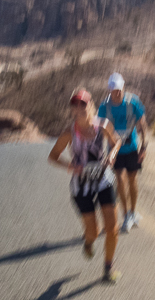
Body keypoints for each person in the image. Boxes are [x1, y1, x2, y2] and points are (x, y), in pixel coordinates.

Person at [49, 88, 124, 282]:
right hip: (81, 185)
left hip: (103, 179)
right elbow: (52, 157)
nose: (79, 108)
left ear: (91, 106)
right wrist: (69, 165)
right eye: (74, 105)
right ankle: (88, 242)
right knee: (93, 231)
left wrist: (112, 154)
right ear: (71, 110)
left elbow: (116, 142)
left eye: (83, 104)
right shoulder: (69, 133)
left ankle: (108, 268)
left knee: (112, 227)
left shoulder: (103, 125)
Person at [97, 72, 149, 232]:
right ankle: (126, 215)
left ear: (123, 87)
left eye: (119, 89)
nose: (117, 92)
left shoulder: (133, 102)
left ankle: (133, 212)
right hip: (115, 150)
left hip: (132, 148)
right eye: (114, 90)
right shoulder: (104, 107)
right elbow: (100, 130)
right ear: (109, 90)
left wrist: (144, 146)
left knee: (133, 180)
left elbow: (143, 124)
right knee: (120, 180)